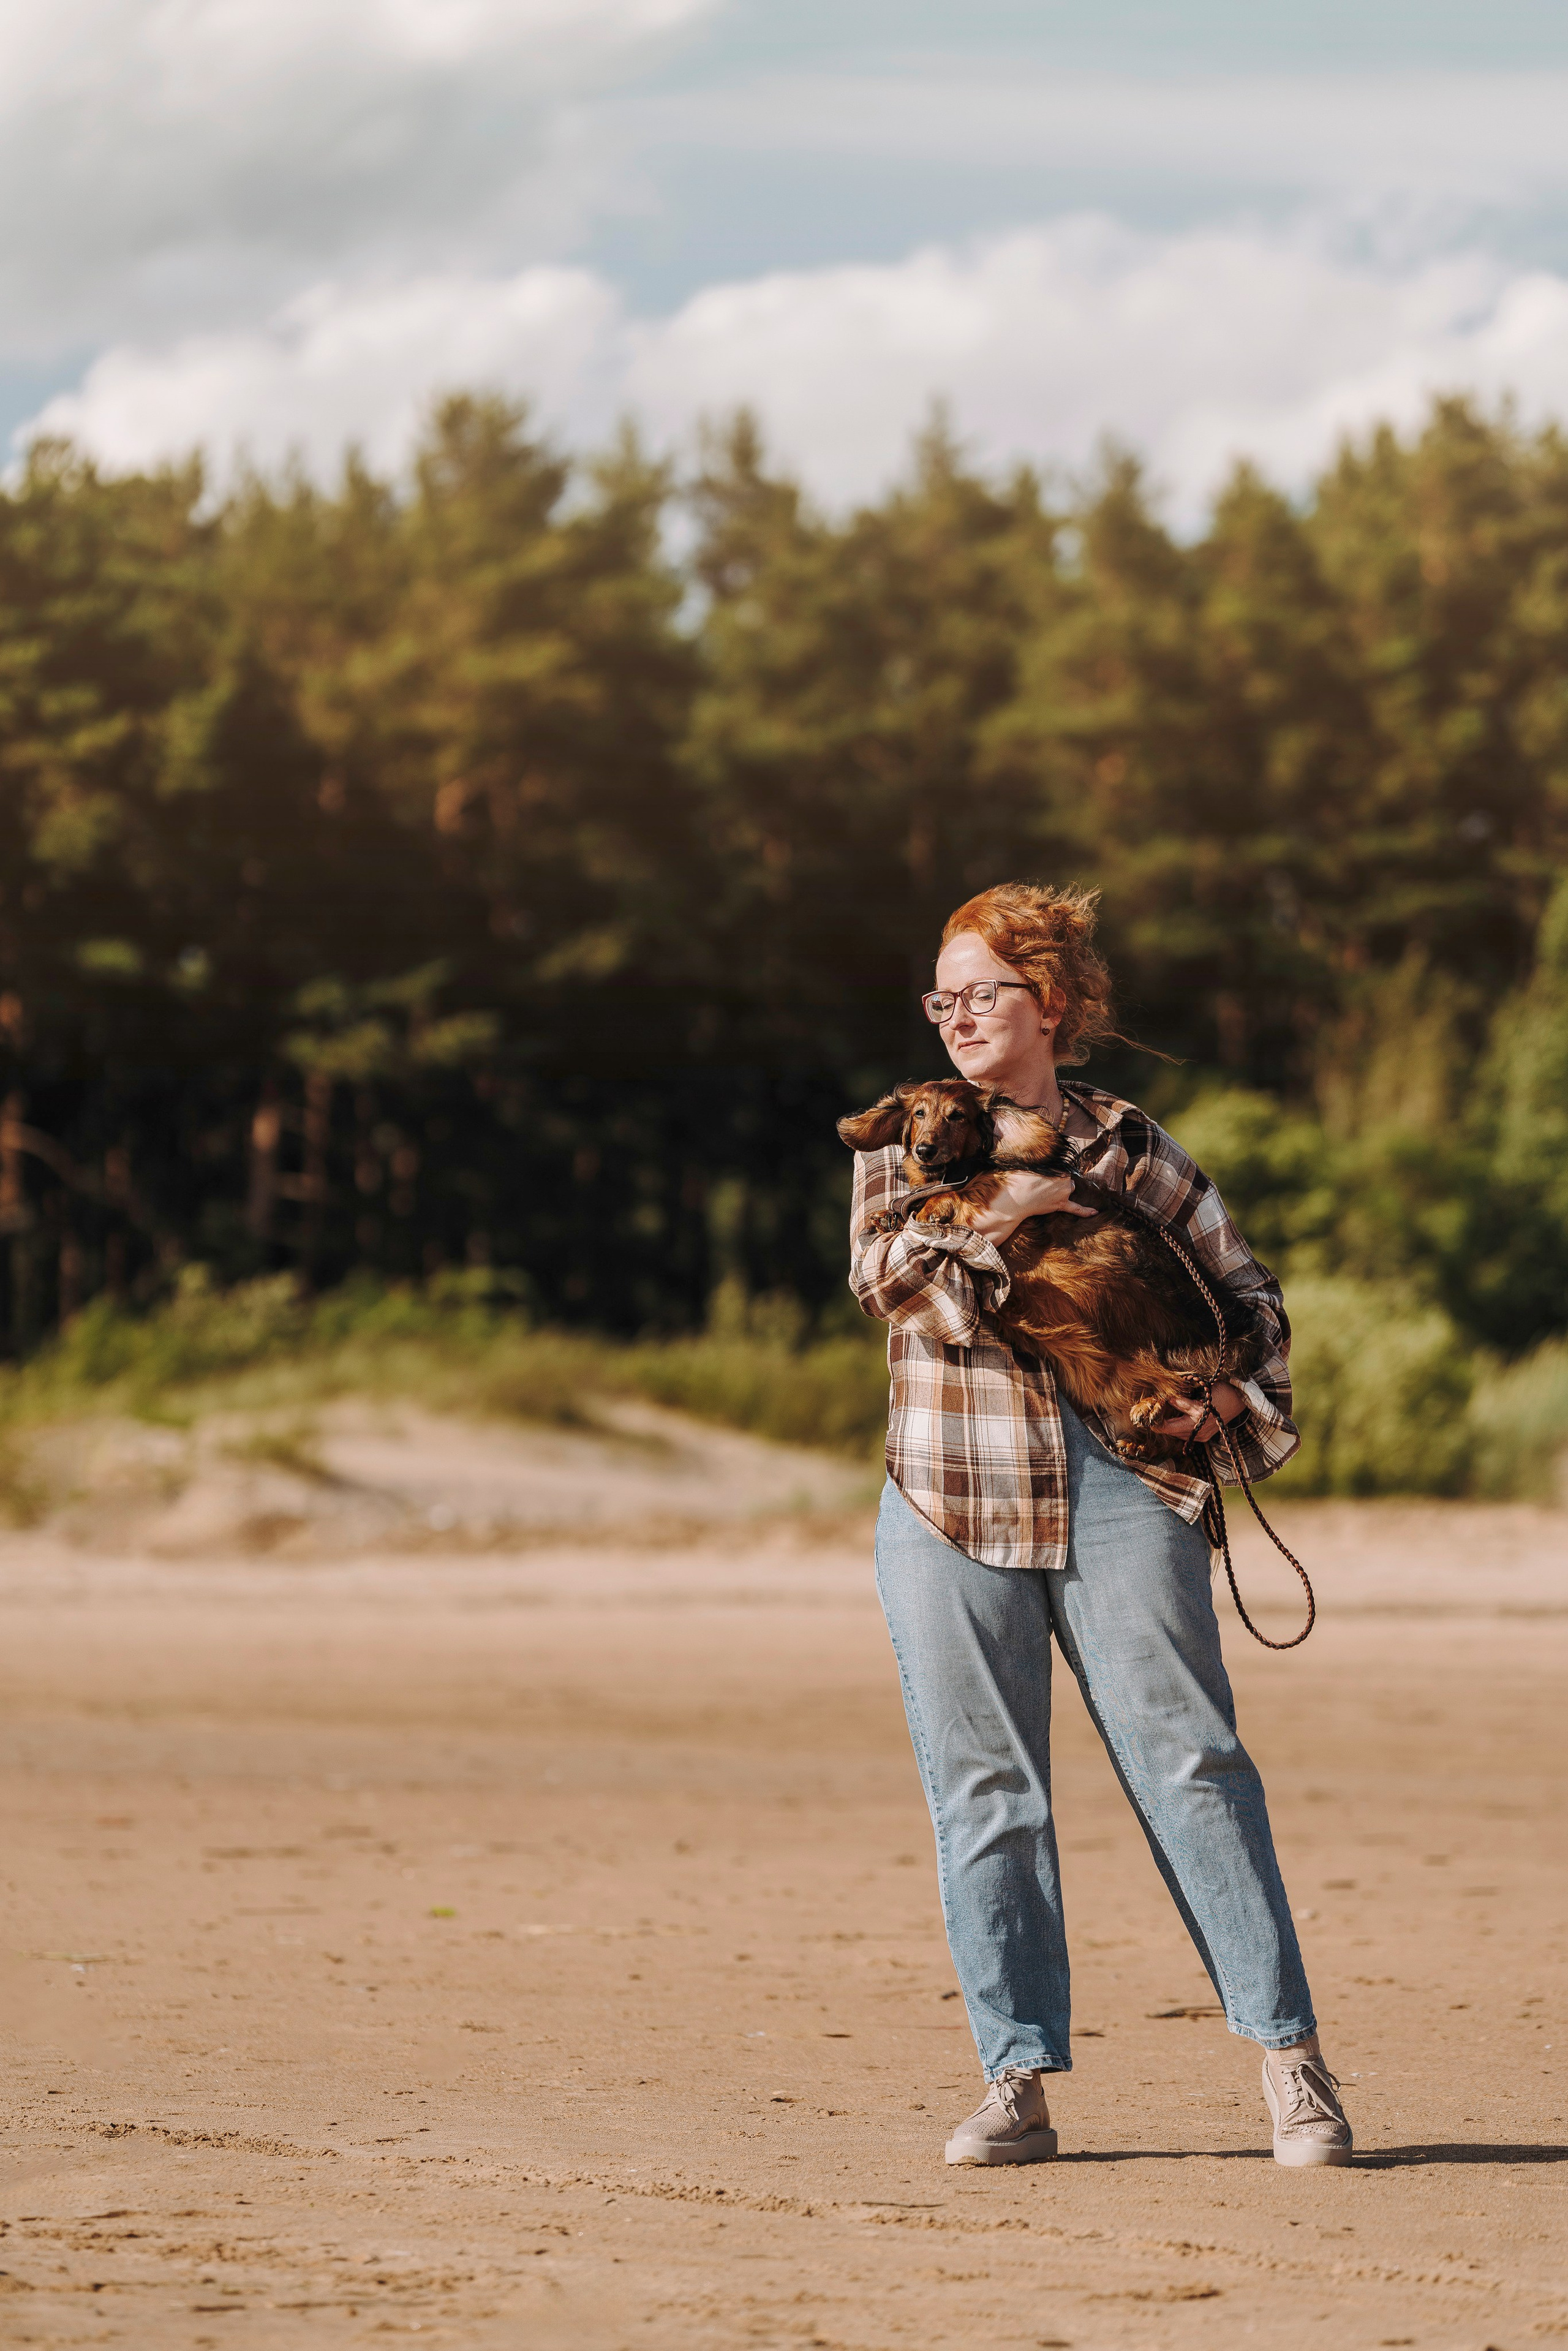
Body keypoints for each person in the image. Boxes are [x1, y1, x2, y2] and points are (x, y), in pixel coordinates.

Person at [848, 880, 1352, 2170]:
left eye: (982, 992)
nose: (955, 1014)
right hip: (949, 1490)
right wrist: (1008, 1209)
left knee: (1192, 1767)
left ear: (1050, 1005)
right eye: (940, 995)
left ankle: (1288, 2060)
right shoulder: (901, 1141)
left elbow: (1248, 1294)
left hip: (1124, 1482)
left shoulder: (1136, 1147)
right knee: (984, 1794)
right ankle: (1014, 2076)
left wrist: (1233, 1393)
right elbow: (886, 1281)